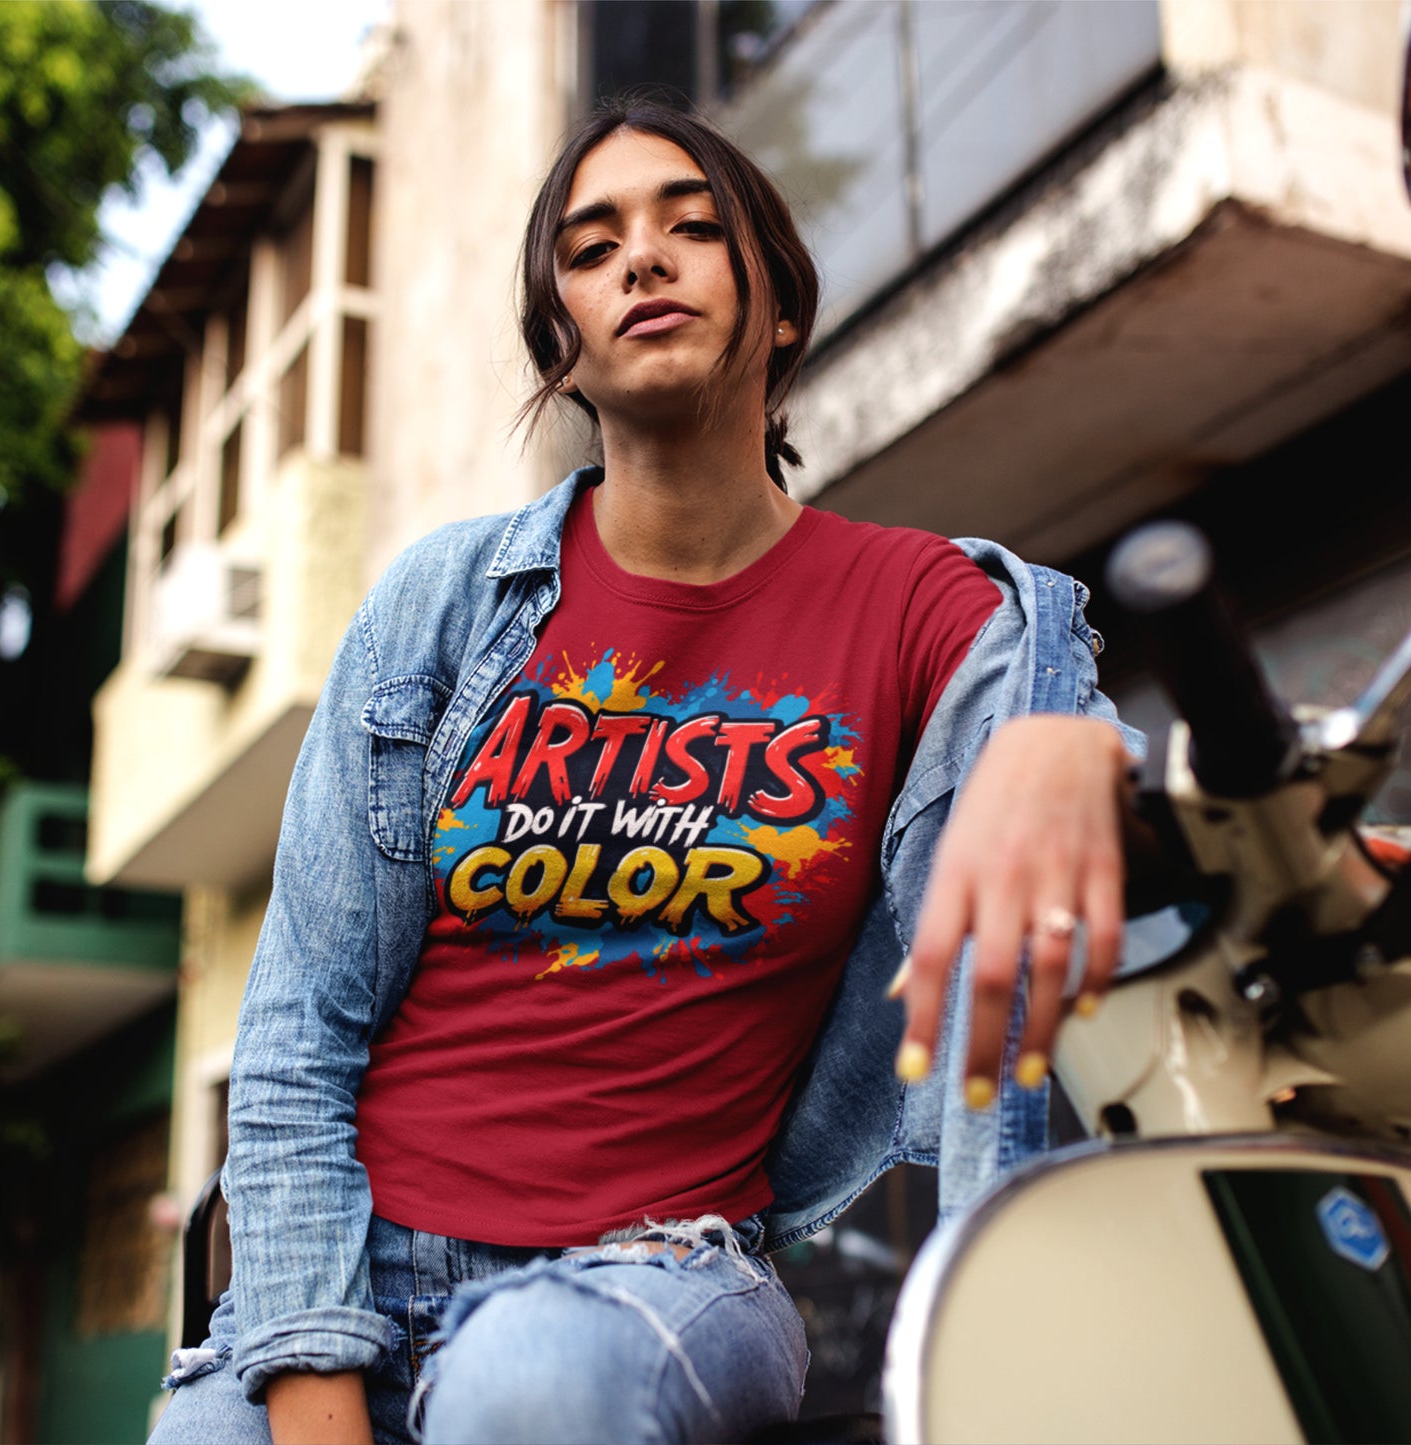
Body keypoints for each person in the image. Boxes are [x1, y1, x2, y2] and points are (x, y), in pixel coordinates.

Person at [147, 97, 1138, 1445]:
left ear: (778, 306)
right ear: (560, 340)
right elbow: (298, 1032)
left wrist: (1067, 743)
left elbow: (1086, 784)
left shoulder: (917, 606)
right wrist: (315, 1376)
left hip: (660, 1277)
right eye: (591, 246)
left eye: (692, 226)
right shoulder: (444, 603)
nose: (643, 260)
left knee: (530, 1382)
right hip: (357, 1271)